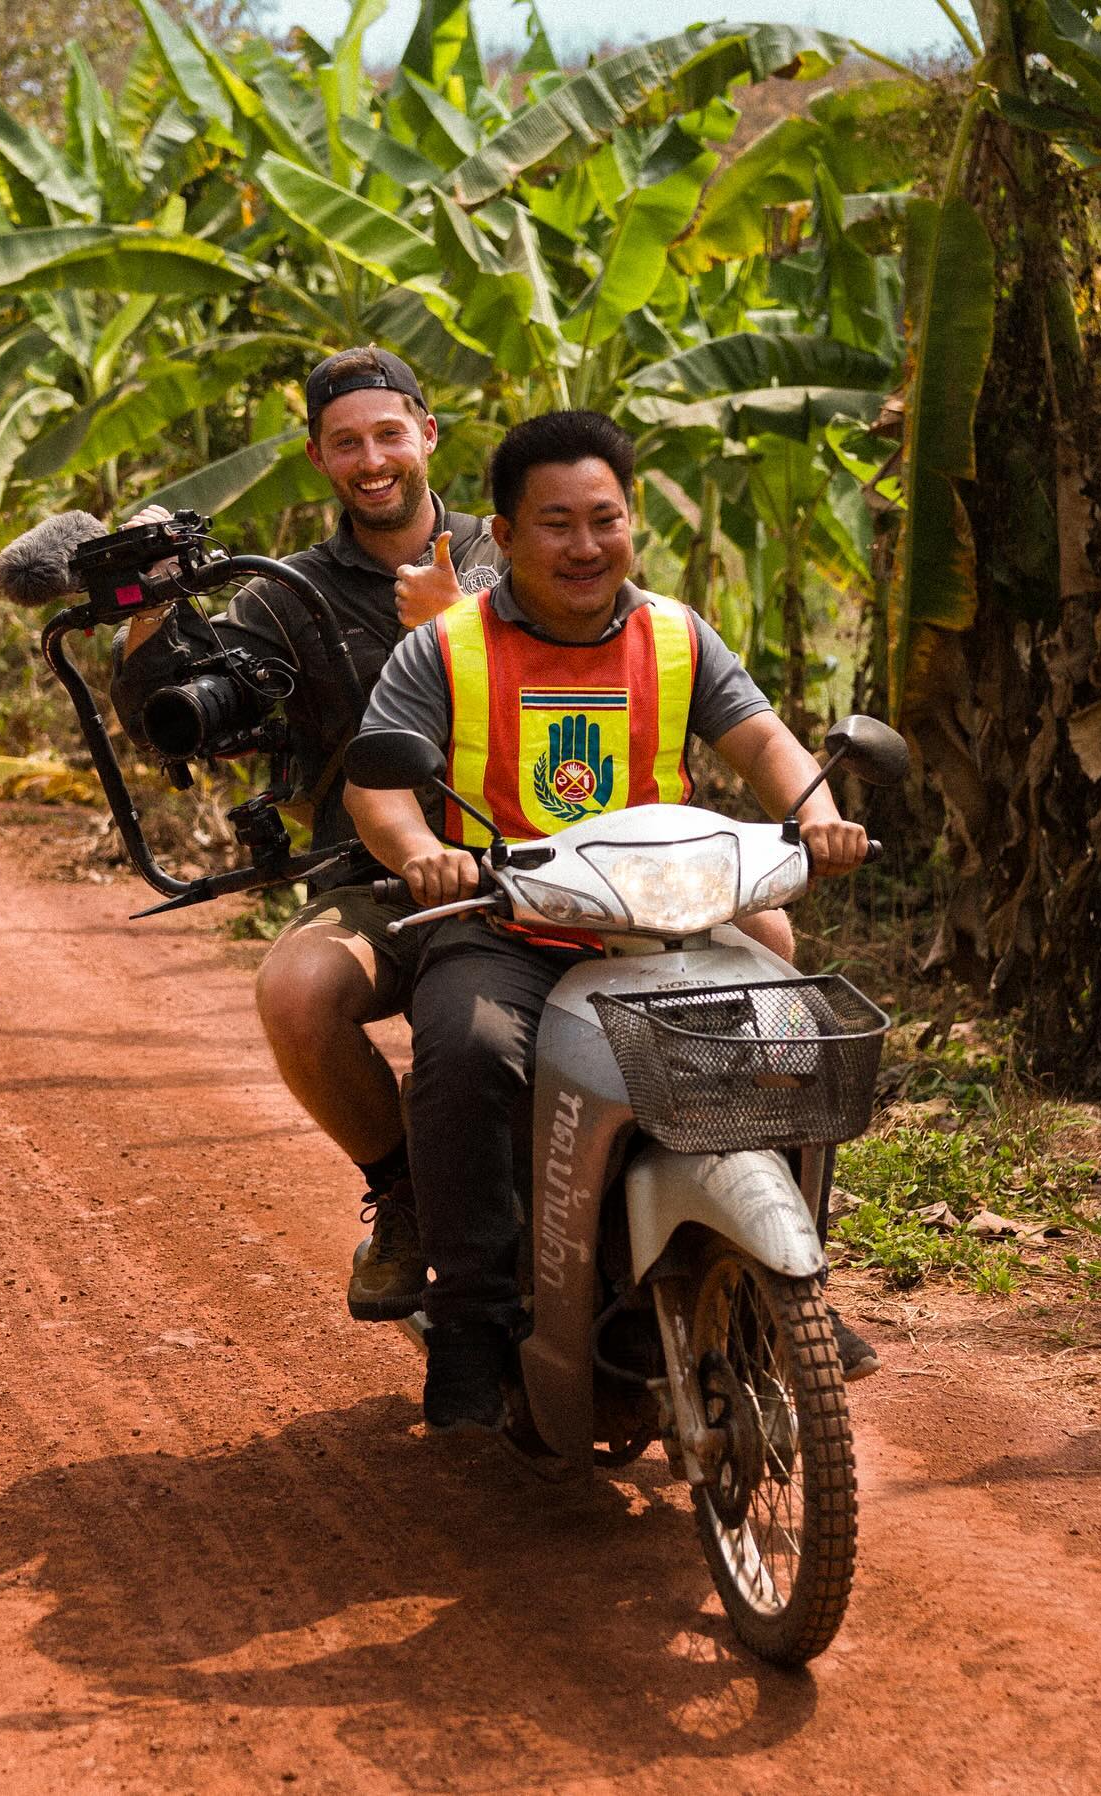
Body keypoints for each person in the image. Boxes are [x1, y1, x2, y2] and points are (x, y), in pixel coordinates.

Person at [345, 410, 878, 1435]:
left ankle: (794, 1277)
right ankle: (471, 1318)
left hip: (665, 922)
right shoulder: (445, 645)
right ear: (501, 534)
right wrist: (420, 849)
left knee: (789, 1032)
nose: (585, 545)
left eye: (606, 519)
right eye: (556, 522)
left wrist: (816, 811)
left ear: (633, 523)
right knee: (461, 1046)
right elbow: (382, 782)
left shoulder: (675, 635)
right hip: (505, 925)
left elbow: (760, 734)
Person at [112, 346, 503, 1322]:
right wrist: (147, 602)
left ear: (428, 434)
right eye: (346, 443)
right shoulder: (280, 593)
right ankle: (406, 1196)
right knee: (294, 990)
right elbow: (181, 708)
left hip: (545, 856)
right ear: (319, 458)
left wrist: (458, 626)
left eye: (387, 434)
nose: (372, 459)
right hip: (376, 875)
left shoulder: (510, 549)